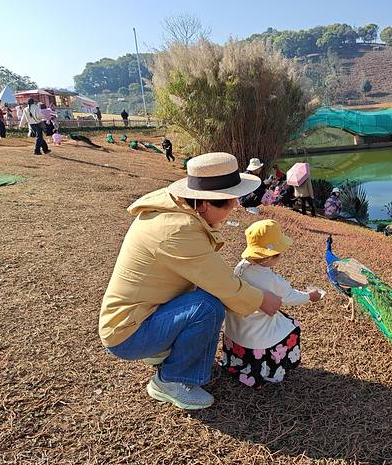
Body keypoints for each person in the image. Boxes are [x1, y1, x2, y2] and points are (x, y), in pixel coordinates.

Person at [99, 152, 283, 410]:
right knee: (209, 306)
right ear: (205, 204)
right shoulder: (179, 230)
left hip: (138, 316)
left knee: (204, 295)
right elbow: (224, 284)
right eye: (229, 202)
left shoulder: (176, 208)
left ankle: (162, 350)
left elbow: (207, 273)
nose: (235, 206)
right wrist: (263, 300)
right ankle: (172, 381)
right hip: (129, 334)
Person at [220, 220, 322, 388]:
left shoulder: (240, 267)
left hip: (234, 331)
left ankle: (236, 365)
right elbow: (290, 297)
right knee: (293, 327)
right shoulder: (271, 280)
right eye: (279, 254)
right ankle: (272, 371)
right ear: (269, 256)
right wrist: (311, 296)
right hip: (254, 338)